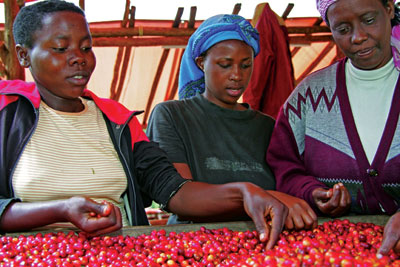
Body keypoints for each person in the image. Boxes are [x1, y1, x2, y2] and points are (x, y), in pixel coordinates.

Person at [0, 0, 288, 249]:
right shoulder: (6, 115)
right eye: (61, 48)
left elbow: (175, 191)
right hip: (29, 256)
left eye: (86, 47)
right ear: (24, 55)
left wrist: (244, 192)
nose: (79, 59)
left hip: (117, 255)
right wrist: (60, 210)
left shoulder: (117, 121)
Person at [147, 14, 317, 230]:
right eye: (225, 65)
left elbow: (290, 179)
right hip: (197, 241)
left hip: (265, 240)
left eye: (245, 65)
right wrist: (266, 197)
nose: (237, 75)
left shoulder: (267, 127)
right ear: (201, 63)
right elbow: (181, 196)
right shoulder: (173, 116)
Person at [266, 0, 400, 255]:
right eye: (343, 28)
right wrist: (312, 193)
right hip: (337, 252)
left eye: (369, 20)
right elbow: (284, 168)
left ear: (390, 9)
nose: (358, 37)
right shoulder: (306, 97)